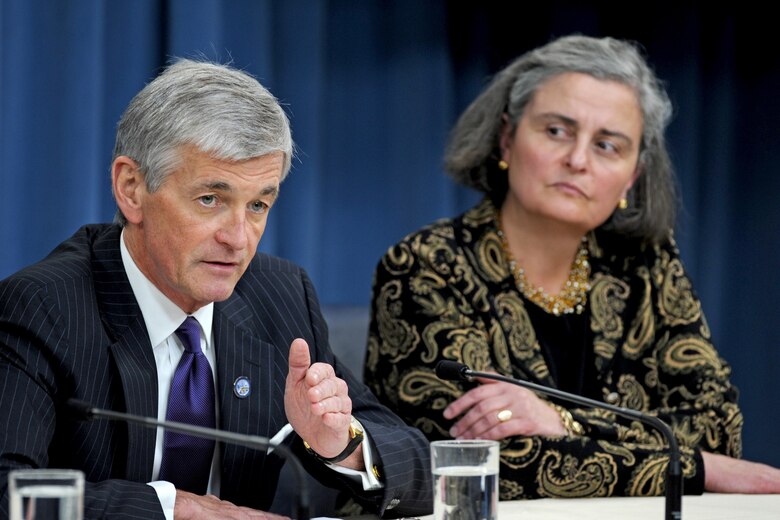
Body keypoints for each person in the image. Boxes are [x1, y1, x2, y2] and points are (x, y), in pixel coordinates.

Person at [0, 59, 432, 520]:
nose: (238, 238)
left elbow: (419, 467)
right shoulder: (44, 306)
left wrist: (338, 442)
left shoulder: (277, 294)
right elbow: (8, 492)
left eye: (259, 205)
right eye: (211, 199)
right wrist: (175, 508)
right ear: (131, 188)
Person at [364, 35, 780, 500]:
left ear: (633, 176)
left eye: (607, 145)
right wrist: (701, 470)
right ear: (507, 138)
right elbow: (484, 460)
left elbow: (717, 428)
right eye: (557, 131)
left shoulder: (645, 263)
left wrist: (561, 420)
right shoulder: (425, 266)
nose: (577, 160)